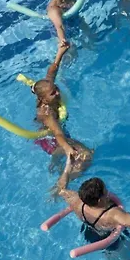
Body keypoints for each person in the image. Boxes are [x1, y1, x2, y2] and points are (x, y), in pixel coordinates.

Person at [32, 43, 92, 173]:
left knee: (86, 153)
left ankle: (57, 160)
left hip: (59, 133)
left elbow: (51, 72)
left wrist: (60, 53)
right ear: (44, 99)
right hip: (51, 140)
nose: (58, 93)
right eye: (53, 93)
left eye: (56, 89)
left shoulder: (46, 90)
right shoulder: (47, 113)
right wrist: (67, 148)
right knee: (85, 156)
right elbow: (58, 133)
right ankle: (62, 175)